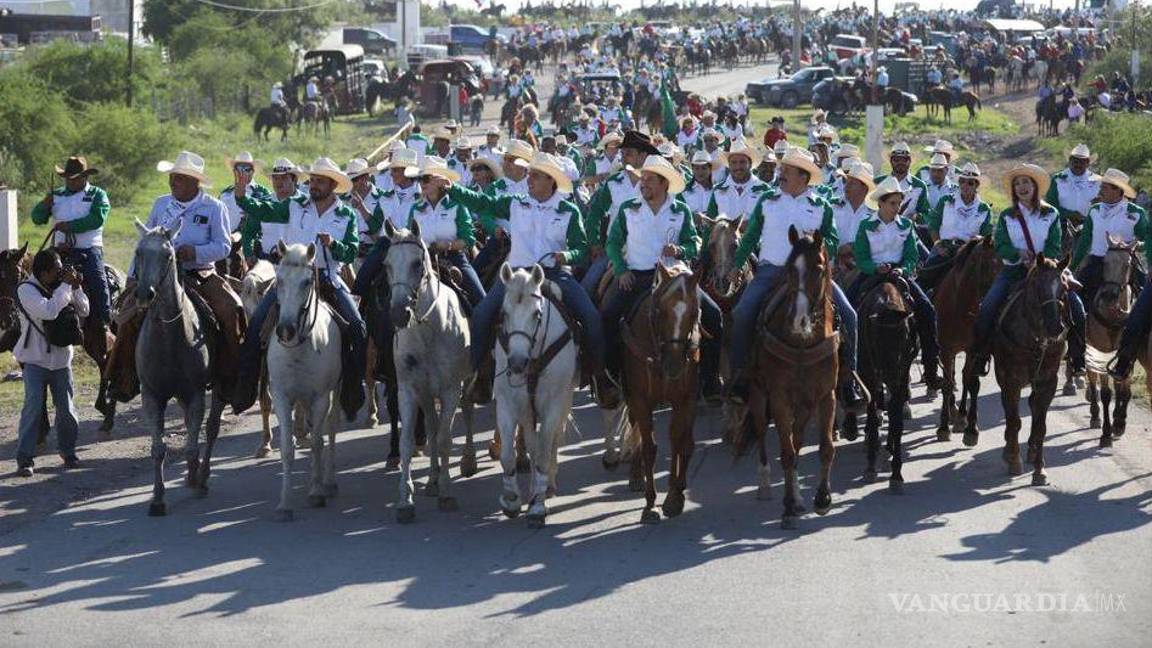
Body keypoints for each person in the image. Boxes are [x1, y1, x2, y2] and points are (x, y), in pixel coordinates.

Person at [444, 152, 612, 395]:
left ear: (551, 180)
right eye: (530, 175)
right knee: (481, 314)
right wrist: (453, 190)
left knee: (591, 316)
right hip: (516, 275)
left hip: (554, 274)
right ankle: (480, 375)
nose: (529, 179)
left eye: (535, 176)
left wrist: (566, 256)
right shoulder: (516, 202)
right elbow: (483, 204)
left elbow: (581, 249)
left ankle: (598, 375)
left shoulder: (568, 210)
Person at [726, 147, 865, 410]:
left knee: (850, 315)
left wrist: (821, 249)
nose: (781, 173)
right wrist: (736, 264)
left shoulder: (820, 205)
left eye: (787, 171)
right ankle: (740, 376)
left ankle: (849, 380)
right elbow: (751, 236)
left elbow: (832, 240)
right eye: (782, 169)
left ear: (803, 177)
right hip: (771, 271)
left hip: (809, 275)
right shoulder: (767, 200)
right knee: (742, 312)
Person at [230, 157, 367, 418]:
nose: (313, 185)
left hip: (327, 277)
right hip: (291, 280)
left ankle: (352, 388)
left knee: (358, 327)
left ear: (332, 185)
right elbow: (261, 210)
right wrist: (241, 193)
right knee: (256, 324)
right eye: (312, 180)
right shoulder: (293, 205)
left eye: (319, 181)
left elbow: (350, 253)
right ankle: (245, 389)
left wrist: (334, 246)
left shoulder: (346, 213)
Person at [105, 151, 245, 404]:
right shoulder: (161, 204)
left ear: (195, 182)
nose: (172, 182)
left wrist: (195, 252)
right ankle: (123, 377)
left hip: (199, 272)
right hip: (158, 274)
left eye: (178, 178)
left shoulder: (214, 207)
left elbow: (224, 246)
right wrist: (134, 277)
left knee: (230, 309)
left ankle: (231, 377)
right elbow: (145, 241)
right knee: (126, 315)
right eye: (172, 177)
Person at [602, 155, 723, 401]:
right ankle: (610, 377)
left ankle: (709, 380)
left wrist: (680, 251)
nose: (642, 183)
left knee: (713, 315)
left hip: (675, 278)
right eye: (642, 178)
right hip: (636, 276)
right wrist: (621, 269)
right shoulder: (629, 208)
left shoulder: (681, 210)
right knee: (606, 316)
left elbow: (693, 243)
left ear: (664, 183)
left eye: (649, 179)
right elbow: (613, 243)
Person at [971, 164, 1086, 376]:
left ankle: (1078, 356)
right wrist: (1018, 255)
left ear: (1035, 186)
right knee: (988, 306)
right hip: (1014, 270)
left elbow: (1054, 244)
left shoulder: (1051, 214)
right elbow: (1001, 244)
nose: (1022, 187)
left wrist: (1042, 261)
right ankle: (981, 355)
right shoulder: (1006, 215)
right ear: (1013, 190)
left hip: (1046, 271)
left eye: (1026, 182)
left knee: (1076, 306)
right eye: (1017, 184)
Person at [847, 177, 941, 389]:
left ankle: (931, 367)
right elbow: (861, 257)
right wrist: (874, 268)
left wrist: (903, 269)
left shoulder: (906, 225)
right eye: (893, 203)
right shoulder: (866, 225)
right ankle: (848, 371)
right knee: (848, 311)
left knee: (927, 309)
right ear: (880, 203)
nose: (897, 207)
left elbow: (911, 255)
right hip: (872, 274)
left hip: (899, 275)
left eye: (899, 203)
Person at [13, 248, 88, 476]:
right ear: (43, 273)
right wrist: (66, 286)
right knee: (33, 409)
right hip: (35, 361)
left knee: (66, 410)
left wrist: (76, 287)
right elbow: (49, 312)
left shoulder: (62, 286)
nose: (59, 274)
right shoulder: (26, 290)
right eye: (56, 271)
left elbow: (84, 309)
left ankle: (68, 451)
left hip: (62, 361)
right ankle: (25, 459)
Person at [29, 156, 112, 328]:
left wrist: (70, 226)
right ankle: (27, 319)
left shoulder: (97, 194)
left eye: (74, 178)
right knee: (33, 276)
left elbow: (97, 219)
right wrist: (44, 206)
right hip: (58, 251)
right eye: (68, 178)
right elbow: (37, 218)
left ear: (85, 177)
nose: (70, 182)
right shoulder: (56, 195)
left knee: (97, 279)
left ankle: (105, 321)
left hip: (88, 249)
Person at [1071, 168, 1149, 333]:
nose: (1100, 190)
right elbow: (1085, 242)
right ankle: (1076, 342)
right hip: (1097, 262)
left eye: (1104, 187)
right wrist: (1071, 268)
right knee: (1073, 297)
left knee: (1145, 293)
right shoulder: (1094, 211)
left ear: (1117, 190)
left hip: (1126, 263)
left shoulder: (1136, 213)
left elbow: (1146, 240)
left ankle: (1137, 343)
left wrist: (1134, 245)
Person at [582, 131, 658, 293]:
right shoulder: (613, 182)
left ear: (643, 155)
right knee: (587, 286)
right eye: (622, 153)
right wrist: (595, 244)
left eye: (628, 153)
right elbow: (594, 214)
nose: (622, 157)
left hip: (653, 253)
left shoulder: (660, 183)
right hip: (615, 251)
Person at [404, 156, 486, 305]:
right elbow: (410, 238)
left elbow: (468, 239)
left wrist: (448, 246)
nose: (422, 183)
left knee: (481, 299)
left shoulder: (457, 205)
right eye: (420, 179)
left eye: (426, 178)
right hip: (422, 260)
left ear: (440, 180)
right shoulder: (415, 208)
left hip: (454, 258)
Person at [919, 162, 993, 292]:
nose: (965, 185)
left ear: (977, 185)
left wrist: (979, 238)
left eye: (970, 183)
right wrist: (938, 245)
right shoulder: (946, 201)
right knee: (924, 277)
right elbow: (933, 226)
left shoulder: (984, 209)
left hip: (970, 253)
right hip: (945, 248)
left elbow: (987, 235)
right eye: (962, 181)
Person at [239, 157, 306, 259]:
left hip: (297, 264)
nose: (279, 182)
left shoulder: (306, 203)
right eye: (275, 178)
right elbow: (248, 232)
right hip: (267, 263)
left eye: (284, 178)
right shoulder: (263, 203)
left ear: (295, 179)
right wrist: (249, 255)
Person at [826, 160, 876, 274]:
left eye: (852, 183)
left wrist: (852, 247)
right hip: (831, 269)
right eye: (847, 181)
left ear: (865, 188)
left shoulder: (876, 214)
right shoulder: (831, 206)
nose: (846, 186)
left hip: (862, 271)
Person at [705, 138, 770, 223]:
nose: (738, 167)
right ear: (729, 165)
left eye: (742, 162)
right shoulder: (718, 190)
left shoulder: (764, 190)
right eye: (734, 162)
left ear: (750, 164)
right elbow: (710, 223)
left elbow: (771, 222)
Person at [1045, 143, 1100, 226]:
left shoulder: (1098, 181)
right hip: (1062, 226)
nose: (1078, 165)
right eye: (1075, 161)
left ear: (1088, 163)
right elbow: (1050, 205)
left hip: (1090, 226)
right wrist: (1068, 214)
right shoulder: (1057, 179)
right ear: (1070, 161)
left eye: (1082, 162)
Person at [218, 152, 271, 234]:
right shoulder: (225, 194)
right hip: (227, 241)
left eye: (246, 169)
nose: (242, 172)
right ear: (234, 171)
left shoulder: (263, 193)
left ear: (253, 171)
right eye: (239, 168)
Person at [681, 151, 716, 216]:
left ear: (710, 169)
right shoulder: (684, 191)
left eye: (704, 168)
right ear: (692, 169)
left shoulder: (717, 190)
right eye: (696, 168)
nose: (700, 172)